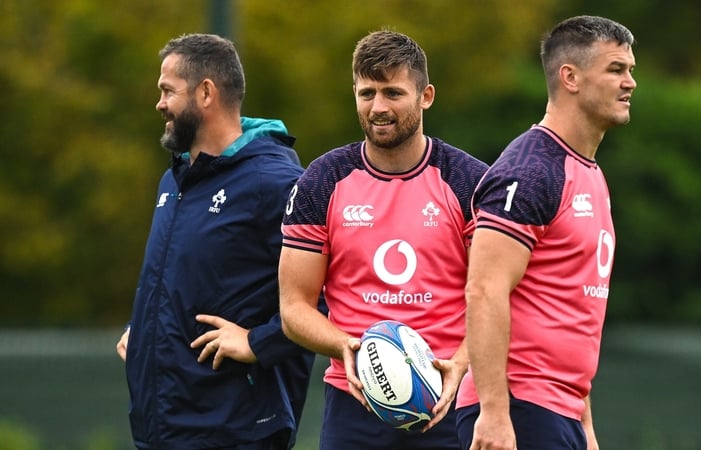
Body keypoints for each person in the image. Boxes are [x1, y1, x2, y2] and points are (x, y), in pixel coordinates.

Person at [278, 30, 489, 449]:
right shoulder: (323, 181)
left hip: (451, 399)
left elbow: (498, 295)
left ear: (426, 96)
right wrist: (345, 347)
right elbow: (294, 306)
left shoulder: (470, 182)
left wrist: (462, 365)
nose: (378, 107)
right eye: (367, 93)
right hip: (354, 403)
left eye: (393, 93)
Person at [115, 33, 319, 450]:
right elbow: (183, 280)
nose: (159, 104)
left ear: (206, 93)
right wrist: (144, 328)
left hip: (234, 431)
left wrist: (259, 342)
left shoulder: (275, 183)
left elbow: (332, 292)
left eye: (168, 90)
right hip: (162, 430)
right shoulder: (174, 179)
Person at [455, 15, 636, 450]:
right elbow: (484, 289)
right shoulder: (531, 170)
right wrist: (494, 413)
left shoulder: (589, 173)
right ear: (570, 77)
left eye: (630, 70)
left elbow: (570, 310)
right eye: (616, 69)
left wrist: (584, 423)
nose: (630, 83)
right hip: (520, 409)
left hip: (559, 411)